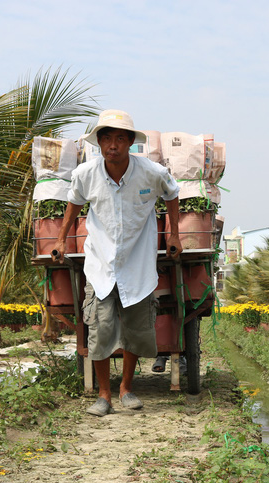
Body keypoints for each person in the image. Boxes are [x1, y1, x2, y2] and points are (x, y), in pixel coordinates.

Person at [51, 109, 182, 416]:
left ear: (129, 143)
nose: (113, 145)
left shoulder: (151, 172)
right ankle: (104, 395)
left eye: (119, 139)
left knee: (136, 330)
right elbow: (74, 203)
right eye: (107, 138)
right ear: (98, 143)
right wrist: (59, 240)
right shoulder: (86, 174)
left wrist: (173, 234)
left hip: (137, 263)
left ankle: (126, 388)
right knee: (100, 328)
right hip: (101, 264)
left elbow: (172, 194)